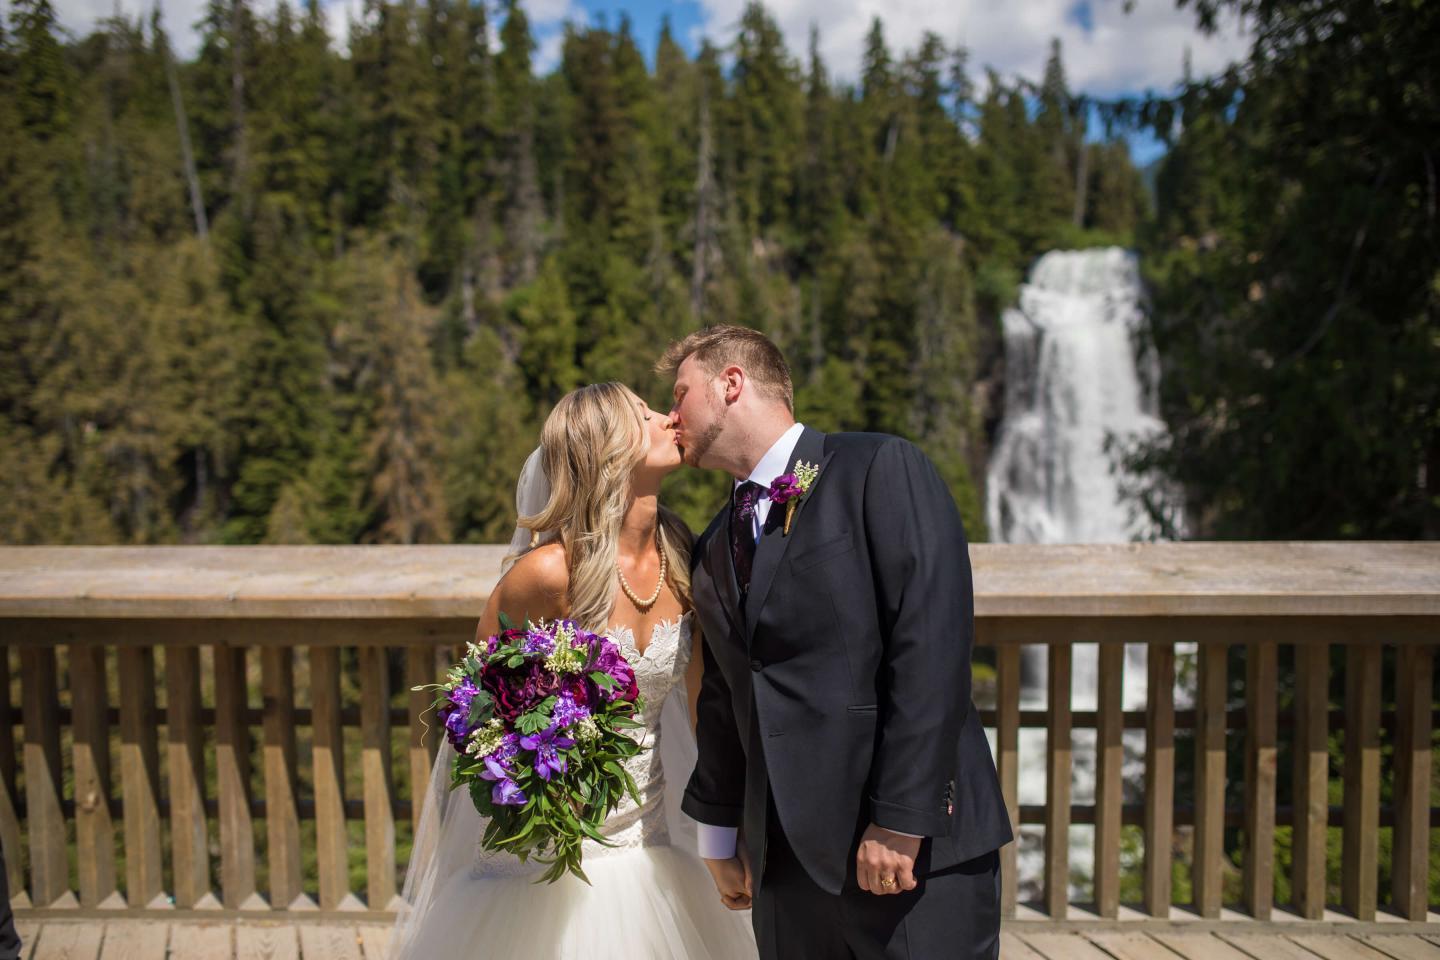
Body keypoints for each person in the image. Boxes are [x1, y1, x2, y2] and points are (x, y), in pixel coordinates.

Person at [662, 325, 1013, 960]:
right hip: (784, 874)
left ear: (730, 384)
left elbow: (931, 644)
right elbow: (725, 697)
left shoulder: (877, 466)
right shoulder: (715, 543)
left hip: (908, 857)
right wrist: (719, 835)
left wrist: (903, 816)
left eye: (680, 393)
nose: (670, 415)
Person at [388, 382, 756, 960]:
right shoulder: (547, 575)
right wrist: (541, 781)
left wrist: (725, 831)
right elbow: (474, 713)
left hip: (653, 851)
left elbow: (701, 708)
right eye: (644, 415)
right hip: (549, 868)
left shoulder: (683, 556)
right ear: (605, 450)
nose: (668, 417)